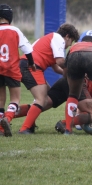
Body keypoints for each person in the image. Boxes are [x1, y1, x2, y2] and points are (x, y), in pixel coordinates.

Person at [18, 23, 79, 134]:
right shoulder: (58, 39)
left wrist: (67, 73)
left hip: (28, 66)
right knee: (42, 99)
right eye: (71, 41)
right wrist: (74, 71)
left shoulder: (50, 39)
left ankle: (11, 116)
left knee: (46, 95)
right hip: (31, 67)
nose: (69, 45)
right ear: (67, 36)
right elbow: (60, 62)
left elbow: (56, 68)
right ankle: (25, 128)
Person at [0, 4, 36, 137]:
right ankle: (7, 119)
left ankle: (1, 127)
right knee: (15, 99)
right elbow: (27, 50)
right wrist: (32, 64)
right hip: (11, 69)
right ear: (10, 17)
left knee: (0, 101)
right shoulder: (15, 30)